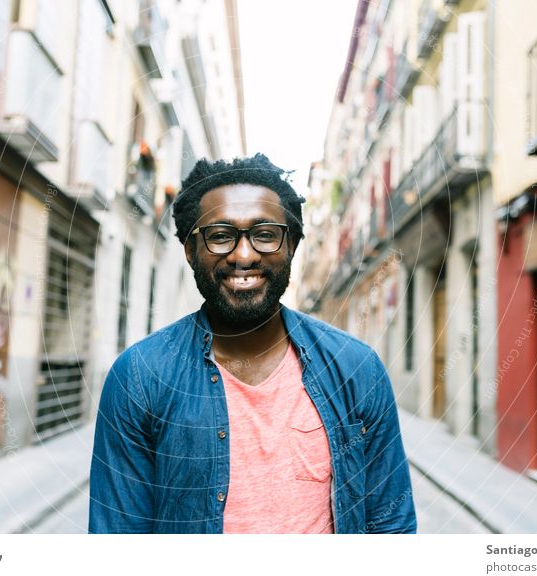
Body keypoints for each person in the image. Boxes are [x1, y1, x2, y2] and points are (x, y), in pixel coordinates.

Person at [89, 153, 416, 534]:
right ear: (191, 251)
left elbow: (391, 525)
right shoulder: (139, 377)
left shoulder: (356, 368)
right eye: (220, 236)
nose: (243, 255)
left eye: (264, 234)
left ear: (291, 246)